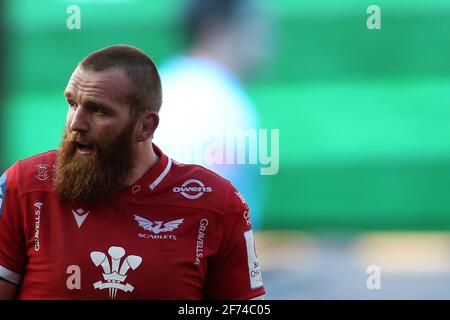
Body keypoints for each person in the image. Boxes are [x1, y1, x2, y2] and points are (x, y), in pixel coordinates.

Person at [0, 45, 265, 300]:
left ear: (145, 126)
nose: (76, 124)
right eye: (72, 104)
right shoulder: (23, 188)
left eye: (97, 110)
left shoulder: (217, 204)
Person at [155, 0, 271, 230]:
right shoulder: (220, 103)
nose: (264, 34)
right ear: (216, 29)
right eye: (252, 21)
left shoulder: (162, 81)